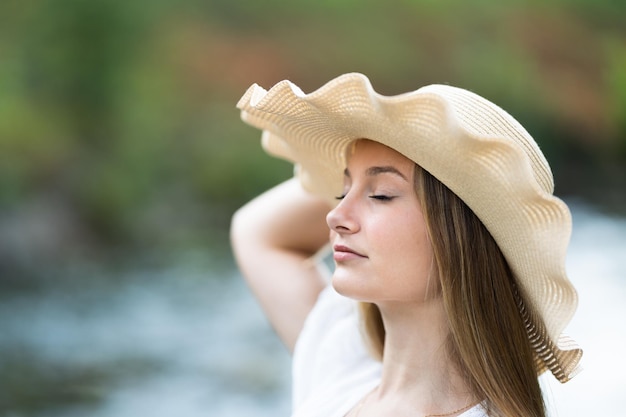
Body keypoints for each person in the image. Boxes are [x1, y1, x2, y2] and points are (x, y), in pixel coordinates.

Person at [231, 73, 582, 417]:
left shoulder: (341, 369)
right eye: (341, 191)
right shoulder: (344, 365)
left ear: (459, 238)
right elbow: (255, 231)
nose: (335, 215)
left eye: (381, 195)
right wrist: (390, 135)